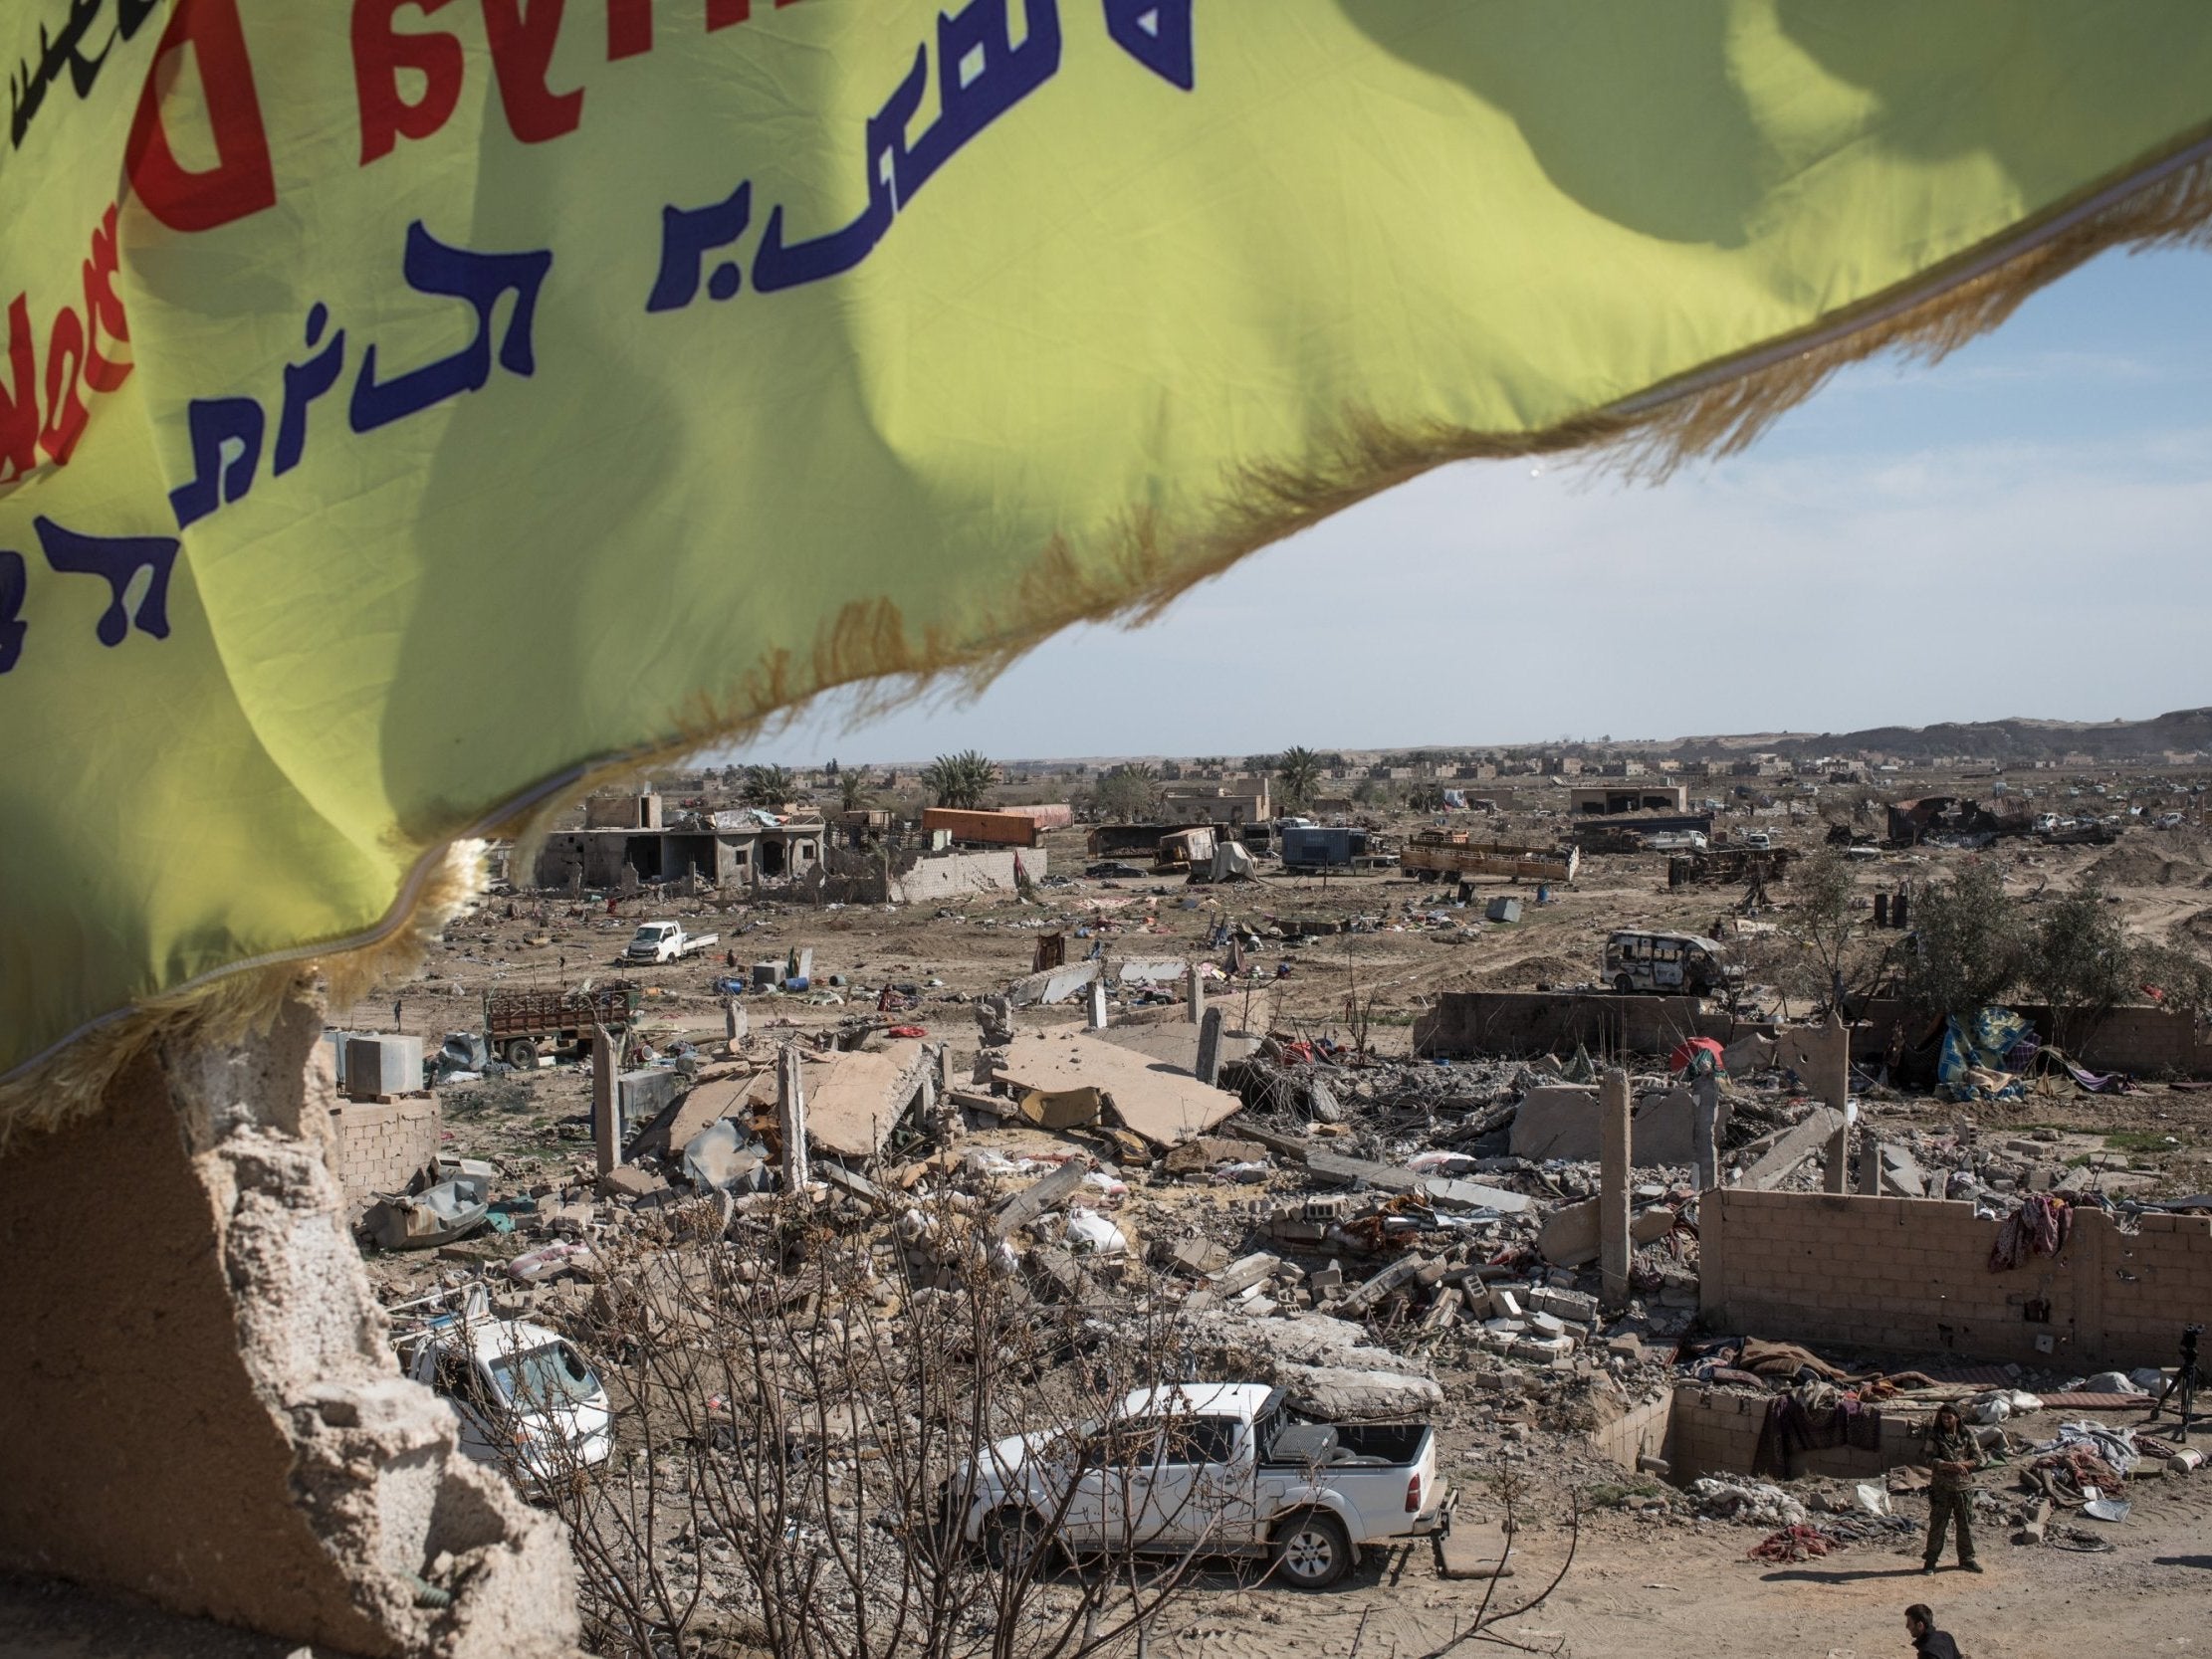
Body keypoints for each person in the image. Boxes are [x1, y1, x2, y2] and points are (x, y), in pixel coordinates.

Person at [1919, 1403, 1985, 1572]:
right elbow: (1928, 1459)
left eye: (1949, 1417)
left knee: (1965, 1525)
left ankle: (1966, 1559)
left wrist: (1962, 1464)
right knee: (1938, 1526)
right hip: (1942, 1489)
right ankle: (1931, 1561)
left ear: (1956, 1417)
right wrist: (1950, 1465)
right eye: (1943, 1417)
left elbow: (1978, 1459)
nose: (1946, 1420)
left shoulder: (1967, 1434)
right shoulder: (1935, 1436)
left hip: (1963, 1488)